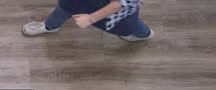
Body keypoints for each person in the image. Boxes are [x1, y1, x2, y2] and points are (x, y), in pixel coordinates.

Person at [23, 0, 153, 42]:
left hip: (113, 10)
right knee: (64, 8)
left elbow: (122, 3)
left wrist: (90, 18)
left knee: (127, 26)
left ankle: (143, 34)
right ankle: (50, 26)